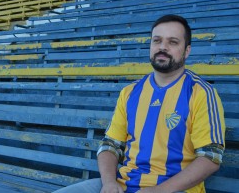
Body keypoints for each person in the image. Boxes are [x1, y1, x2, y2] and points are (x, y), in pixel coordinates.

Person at [53, 14, 225, 193]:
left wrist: (159, 190)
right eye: (157, 40)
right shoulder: (130, 92)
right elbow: (110, 145)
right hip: (122, 185)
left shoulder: (201, 93)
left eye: (173, 42)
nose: (162, 47)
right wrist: (109, 183)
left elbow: (210, 157)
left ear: (186, 50)